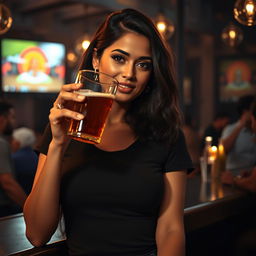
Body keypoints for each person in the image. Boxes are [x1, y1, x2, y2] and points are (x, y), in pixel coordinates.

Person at [23, 9, 193, 256]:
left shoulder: (166, 133)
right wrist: (58, 144)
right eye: (119, 58)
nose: (129, 74)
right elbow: (37, 234)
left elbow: (171, 229)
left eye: (143, 64)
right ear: (96, 59)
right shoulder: (64, 126)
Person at [221, 98, 256, 192]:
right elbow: (223, 150)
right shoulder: (230, 129)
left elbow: (253, 184)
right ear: (245, 112)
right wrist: (241, 125)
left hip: (246, 181)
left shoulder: (253, 131)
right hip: (235, 176)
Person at [0, 100, 27, 217]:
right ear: (2, 119)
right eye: (12, 117)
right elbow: (7, 183)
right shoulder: (1, 144)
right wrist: (30, 207)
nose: (14, 122)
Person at [11, 127, 38, 195]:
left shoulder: (14, 158)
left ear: (18, 142)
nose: (11, 143)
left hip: (20, 199)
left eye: (13, 140)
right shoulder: (37, 157)